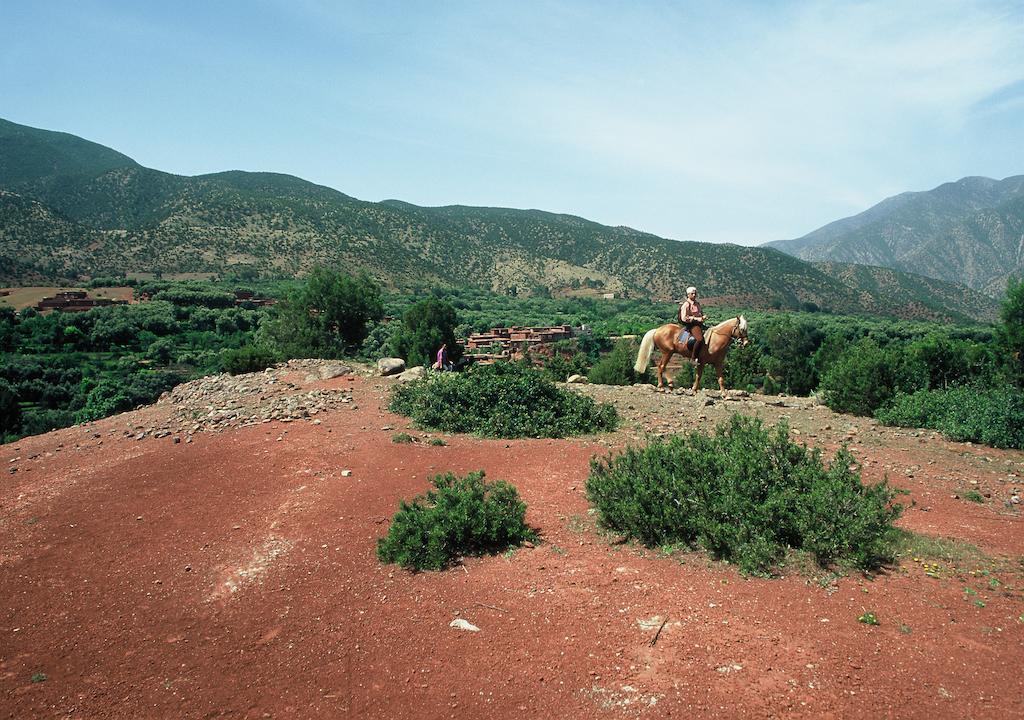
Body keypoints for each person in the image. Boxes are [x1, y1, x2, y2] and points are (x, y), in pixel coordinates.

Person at [678, 286, 706, 360]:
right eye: (692, 294)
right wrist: (696, 319)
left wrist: (702, 317)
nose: (694, 295)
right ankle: (694, 358)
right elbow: (684, 318)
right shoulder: (686, 305)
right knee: (699, 339)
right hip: (692, 324)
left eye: (695, 293)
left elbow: (700, 313)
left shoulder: (697, 304)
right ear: (688, 295)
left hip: (699, 323)